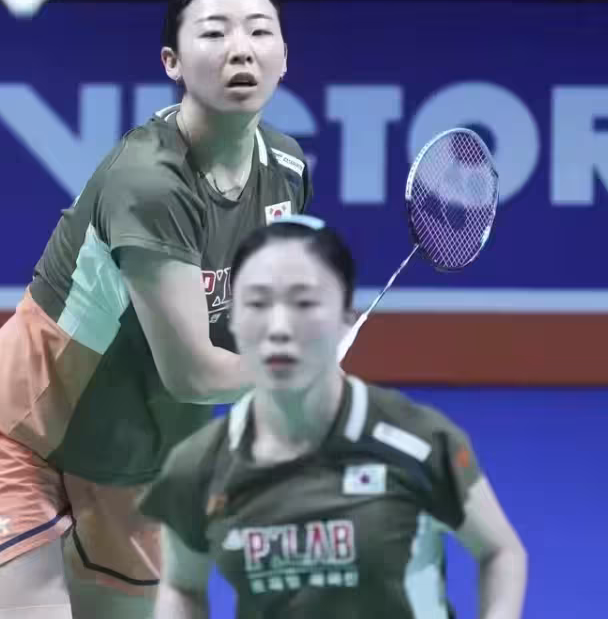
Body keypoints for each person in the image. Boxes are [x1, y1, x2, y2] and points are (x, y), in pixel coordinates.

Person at [0, 0, 314, 618]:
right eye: (214, 33)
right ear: (172, 62)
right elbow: (193, 373)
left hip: (138, 465)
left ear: (284, 57)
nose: (240, 49)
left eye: (259, 31)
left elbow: (250, 321)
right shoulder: (150, 182)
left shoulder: (287, 172)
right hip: (24, 436)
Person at [138, 215, 528, 618]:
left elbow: (500, 552)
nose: (279, 327)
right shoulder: (200, 467)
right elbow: (182, 587)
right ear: (233, 319)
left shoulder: (418, 442)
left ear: (346, 317)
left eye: (304, 303)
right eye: (257, 303)